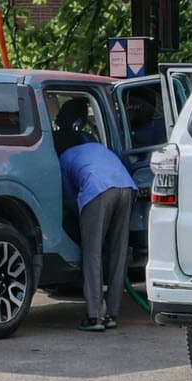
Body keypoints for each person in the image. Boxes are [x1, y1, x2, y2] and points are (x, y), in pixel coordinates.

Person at [55, 100, 136, 333]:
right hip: (126, 188)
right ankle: (112, 314)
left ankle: (94, 317)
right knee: (118, 252)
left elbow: (71, 197)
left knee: (93, 254)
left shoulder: (63, 159)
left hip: (98, 190)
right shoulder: (97, 147)